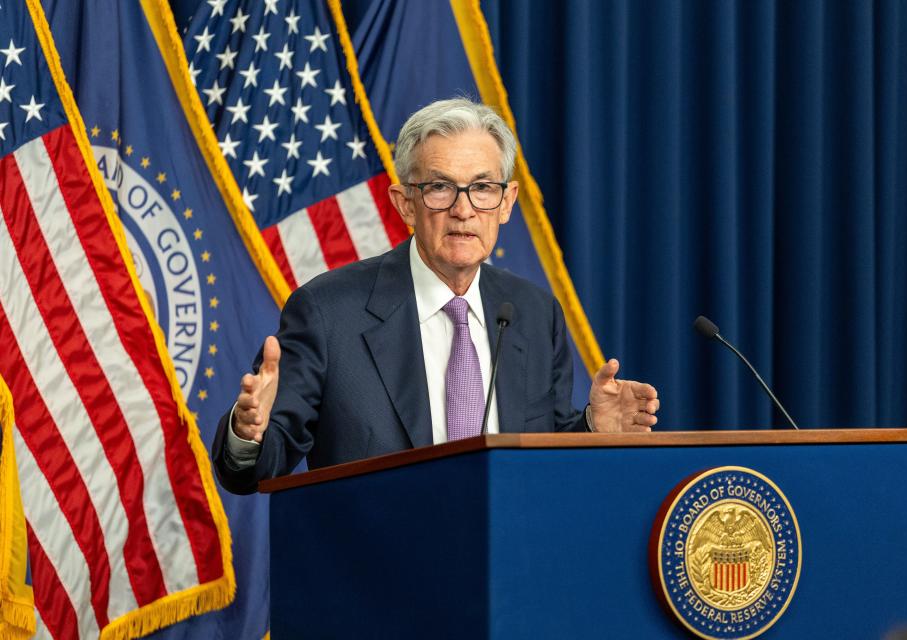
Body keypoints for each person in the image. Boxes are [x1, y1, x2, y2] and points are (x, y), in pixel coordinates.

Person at [211, 98, 660, 495]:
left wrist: (591, 429)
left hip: (507, 573)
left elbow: (541, 454)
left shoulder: (534, 313)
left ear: (506, 202)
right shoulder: (328, 313)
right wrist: (248, 433)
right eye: (440, 188)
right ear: (405, 203)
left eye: (483, 188)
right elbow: (255, 469)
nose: (463, 210)